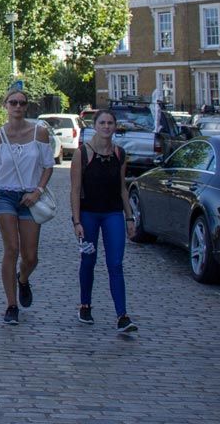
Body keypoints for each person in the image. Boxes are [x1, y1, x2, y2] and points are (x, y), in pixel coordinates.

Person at [0, 84, 56, 325]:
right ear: (5, 106)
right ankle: (11, 305)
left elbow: (48, 166)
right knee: (12, 248)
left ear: (27, 107)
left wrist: (37, 191)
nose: (17, 106)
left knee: (30, 255)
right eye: (13, 102)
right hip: (4, 196)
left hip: (30, 197)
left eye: (21, 103)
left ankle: (23, 279)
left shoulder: (40, 133)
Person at [70, 109, 138, 333]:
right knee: (88, 260)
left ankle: (122, 315)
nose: (107, 127)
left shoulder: (119, 154)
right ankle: (85, 304)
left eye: (110, 123)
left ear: (115, 126)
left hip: (113, 213)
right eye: (102, 123)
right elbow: (75, 189)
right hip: (89, 213)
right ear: (95, 125)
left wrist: (129, 216)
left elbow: (122, 188)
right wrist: (77, 221)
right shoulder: (83, 153)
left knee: (116, 264)